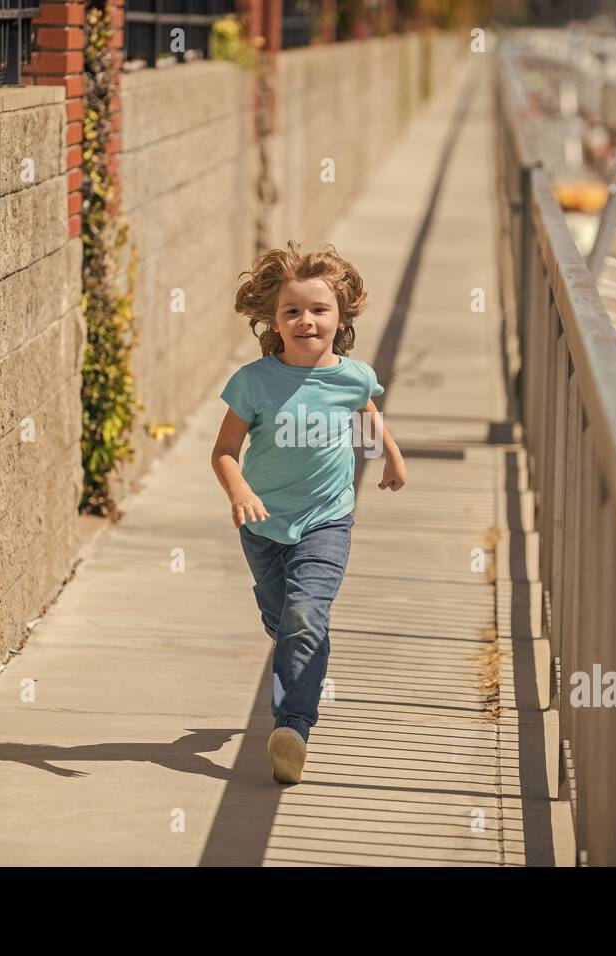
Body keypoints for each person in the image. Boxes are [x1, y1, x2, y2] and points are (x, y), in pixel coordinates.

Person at [210, 241, 407, 784]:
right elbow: (223, 452)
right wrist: (239, 492)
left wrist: (388, 455)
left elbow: (365, 410)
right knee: (285, 619)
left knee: (306, 616)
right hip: (264, 526)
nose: (305, 320)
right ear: (273, 320)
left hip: (327, 518)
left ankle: (292, 727)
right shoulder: (254, 383)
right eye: (291, 311)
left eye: (318, 309)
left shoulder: (353, 375)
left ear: (340, 317)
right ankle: (294, 640)